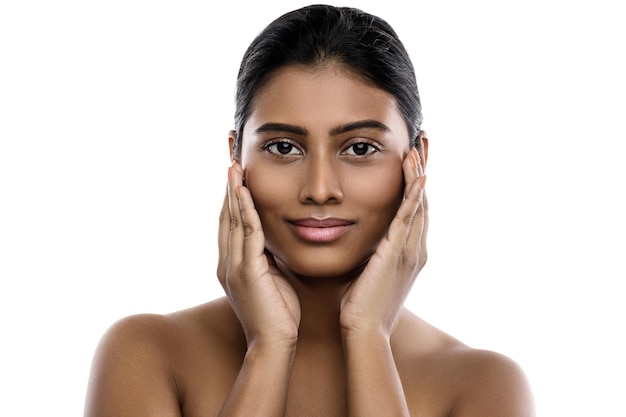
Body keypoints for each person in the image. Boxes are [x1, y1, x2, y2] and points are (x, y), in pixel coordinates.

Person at [84, 4, 535, 416]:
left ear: (417, 159)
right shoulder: (147, 355)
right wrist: (269, 348)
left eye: (360, 148)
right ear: (237, 159)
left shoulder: (483, 385)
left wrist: (368, 336)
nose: (320, 190)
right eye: (284, 147)